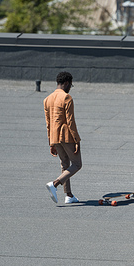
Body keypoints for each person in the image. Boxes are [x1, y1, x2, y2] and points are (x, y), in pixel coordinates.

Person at [44, 71, 82, 204]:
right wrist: (76, 140)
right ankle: (54, 184)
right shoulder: (67, 98)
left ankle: (69, 195)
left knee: (65, 164)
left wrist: (51, 143)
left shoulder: (47, 99)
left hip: (55, 137)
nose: (70, 88)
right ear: (66, 83)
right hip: (66, 136)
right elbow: (71, 122)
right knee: (77, 164)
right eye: (70, 85)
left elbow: (48, 124)